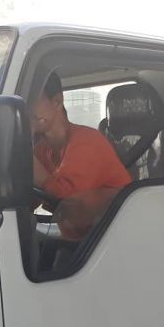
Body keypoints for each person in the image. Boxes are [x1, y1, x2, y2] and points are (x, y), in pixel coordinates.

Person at [31, 72, 131, 240]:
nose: (26, 109)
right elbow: (30, 199)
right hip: (83, 240)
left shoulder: (87, 141)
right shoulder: (41, 151)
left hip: (116, 238)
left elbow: (69, 203)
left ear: (57, 101)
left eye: (33, 100)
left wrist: (25, 155)